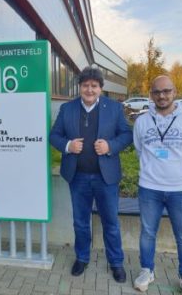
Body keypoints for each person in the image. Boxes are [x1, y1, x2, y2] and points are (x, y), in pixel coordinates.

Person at [49, 66, 133, 282]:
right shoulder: (67, 109)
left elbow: (126, 135)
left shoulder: (114, 108)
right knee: (80, 222)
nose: (89, 89)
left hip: (106, 178)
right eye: (85, 85)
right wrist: (68, 145)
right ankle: (82, 258)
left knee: (110, 222)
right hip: (77, 177)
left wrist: (110, 146)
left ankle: (116, 262)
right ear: (80, 87)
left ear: (100, 88)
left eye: (94, 86)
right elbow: (54, 136)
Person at [133, 76, 182, 295]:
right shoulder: (142, 121)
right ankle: (147, 271)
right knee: (147, 233)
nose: (162, 95)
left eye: (167, 91)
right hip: (149, 187)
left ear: (175, 92)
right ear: (151, 94)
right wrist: (151, 170)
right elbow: (140, 150)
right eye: (157, 92)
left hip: (181, 189)